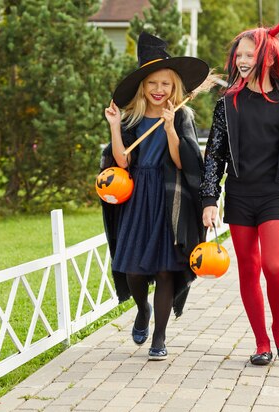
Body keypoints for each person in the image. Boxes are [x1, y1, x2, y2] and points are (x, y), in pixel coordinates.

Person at [200, 17, 279, 365]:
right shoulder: (227, 103)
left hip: (272, 196)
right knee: (248, 269)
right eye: (239, 55)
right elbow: (214, 154)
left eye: (249, 54)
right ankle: (262, 342)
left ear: (267, 56)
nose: (241, 60)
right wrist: (209, 200)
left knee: (273, 265)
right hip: (238, 196)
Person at [102, 32, 208, 360]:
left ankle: (159, 337)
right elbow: (122, 160)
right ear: (143, 87)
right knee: (133, 269)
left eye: (164, 84)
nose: (158, 90)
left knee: (165, 270)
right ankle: (142, 310)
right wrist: (115, 126)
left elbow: (183, 161)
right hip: (137, 200)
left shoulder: (181, 115)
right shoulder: (132, 116)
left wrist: (171, 128)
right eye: (152, 84)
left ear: (173, 86)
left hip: (169, 200)